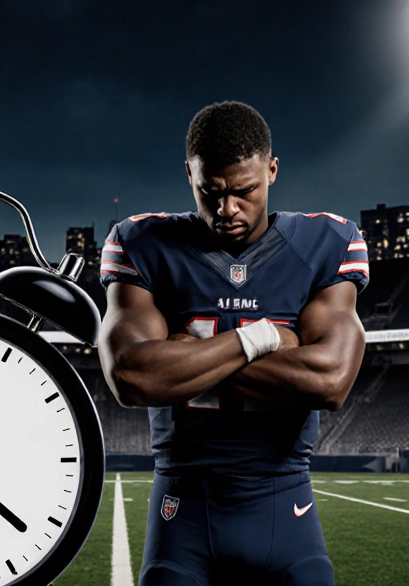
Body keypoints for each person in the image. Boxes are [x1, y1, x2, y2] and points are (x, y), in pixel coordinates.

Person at [98, 100, 369, 585]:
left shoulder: (328, 241)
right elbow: (134, 376)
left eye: (244, 190)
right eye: (211, 192)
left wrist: (189, 356)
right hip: (181, 507)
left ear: (272, 169)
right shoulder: (140, 241)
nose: (227, 209)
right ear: (189, 174)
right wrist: (266, 338)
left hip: (286, 499)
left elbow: (329, 380)